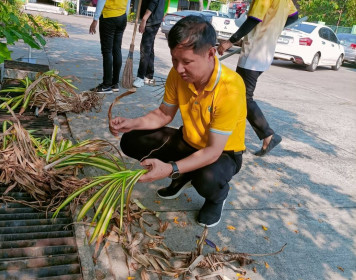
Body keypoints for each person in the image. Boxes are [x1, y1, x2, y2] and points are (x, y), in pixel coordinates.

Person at [110, 16, 246, 227]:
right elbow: (164, 114)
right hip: (187, 142)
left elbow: (212, 152)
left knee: (207, 177)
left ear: (210, 53)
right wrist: (132, 123)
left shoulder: (231, 87)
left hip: (223, 153)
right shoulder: (178, 74)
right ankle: (183, 175)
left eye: (187, 62)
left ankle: (216, 198)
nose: (178, 68)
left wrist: (170, 168)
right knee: (131, 139)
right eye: (175, 59)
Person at [218, 0, 298, 156]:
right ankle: (233, 137)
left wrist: (230, 41)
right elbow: (293, 16)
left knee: (242, 97)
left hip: (254, 53)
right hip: (265, 51)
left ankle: (268, 135)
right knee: (239, 97)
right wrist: (271, 28)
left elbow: (254, 19)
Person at [89, 0, 131, 93]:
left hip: (109, 17)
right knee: (117, 49)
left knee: (107, 51)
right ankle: (114, 84)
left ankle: (106, 85)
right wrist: (124, 16)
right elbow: (128, 2)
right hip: (122, 17)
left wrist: (95, 19)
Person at [132, 0, 166, 88]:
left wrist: (144, 19)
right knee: (149, 47)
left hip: (152, 19)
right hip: (155, 18)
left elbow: (153, 2)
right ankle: (149, 76)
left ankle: (140, 78)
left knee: (145, 48)